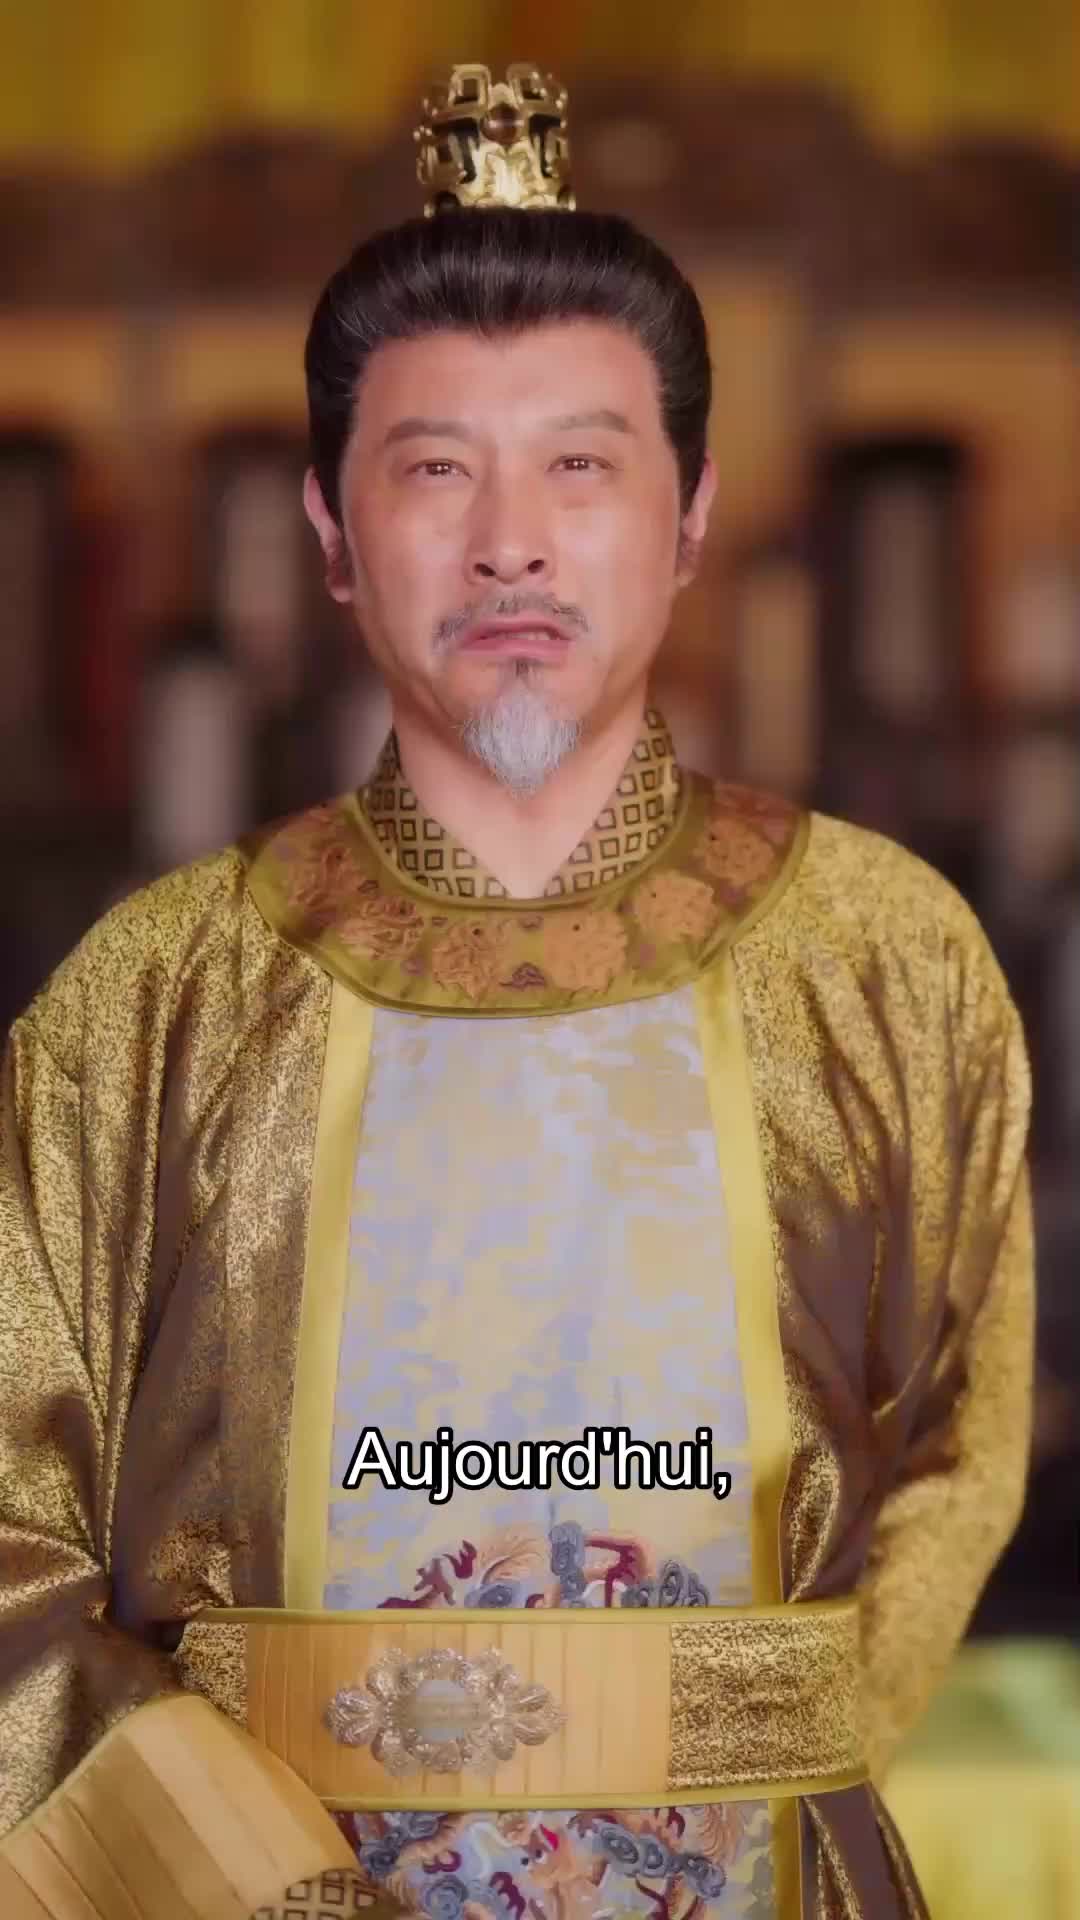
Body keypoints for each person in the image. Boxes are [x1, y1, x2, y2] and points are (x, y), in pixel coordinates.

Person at [0, 63, 1033, 1920]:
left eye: (580, 461)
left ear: (691, 514)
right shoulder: (151, 1002)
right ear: (330, 532)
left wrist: (761, 1763)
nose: (511, 542)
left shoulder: (885, 961)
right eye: (434, 469)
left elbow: (962, 1450)